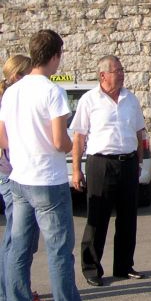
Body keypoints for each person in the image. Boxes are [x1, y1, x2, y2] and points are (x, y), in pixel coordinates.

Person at [0, 29, 81, 301]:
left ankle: (16, 297)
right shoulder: (53, 91)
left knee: (19, 247)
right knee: (59, 250)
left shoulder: (12, 91)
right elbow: (59, 141)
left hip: (19, 177)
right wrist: (72, 144)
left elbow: (2, 137)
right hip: (47, 179)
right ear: (55, 56)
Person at [70, 56, 146, 287]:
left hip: (128, 162)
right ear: (103, 75)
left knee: (128, 218)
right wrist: (76, 170)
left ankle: (124, 266)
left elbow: (139, 133)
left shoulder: (130, 99)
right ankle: (91, 268)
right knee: (98, 218)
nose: (121, 74)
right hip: (101, 164)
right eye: (117, 71)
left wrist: (138, 163)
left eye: (122, 70)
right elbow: (79, 137)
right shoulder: (89, 100)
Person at [0, 55, 33, 301]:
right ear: (18, 76)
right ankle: (14, 293)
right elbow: (4, 139)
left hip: (11, 171)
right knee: (17, 239)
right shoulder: (9, 100)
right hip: (11, 173)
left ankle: (11, 290)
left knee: (16, 238)